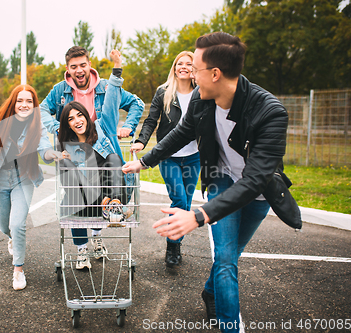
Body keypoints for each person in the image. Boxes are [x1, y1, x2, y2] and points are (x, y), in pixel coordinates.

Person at [122, 32, 301, 333]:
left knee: (229, 257)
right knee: (227, 260)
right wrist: (143, 162)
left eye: (196, 69)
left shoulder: (270, 112)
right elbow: (180, 133)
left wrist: (199, 215)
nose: (191, 74)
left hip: (257, 192)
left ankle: (210, 290)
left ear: (215, 74)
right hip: (220, 180)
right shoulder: (202, 100)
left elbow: (256, 179)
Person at [0, 84, 60, 290]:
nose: (24, 105)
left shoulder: (37, 125)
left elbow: (45, 149)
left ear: (34, 105)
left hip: (24, 178)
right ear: (13, 103)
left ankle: (18, 270)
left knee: (18, 224)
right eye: (20, 100)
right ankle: (11, 240)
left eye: (29, 101)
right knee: (4, 226)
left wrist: (54, 155)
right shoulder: (0, 123)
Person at [57, 50, 131, 270]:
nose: (77, 120)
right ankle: (82, 250)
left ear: (87, 117)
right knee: (67, 167)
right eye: (70, 119)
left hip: (107, 199)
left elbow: (110, 101)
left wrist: (117, 68)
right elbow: (70, 187)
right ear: (67, 125)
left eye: (80, 115)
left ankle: (114, 206)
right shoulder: (67, 148)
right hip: (83, 202)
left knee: (113, 158)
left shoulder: (102, 130)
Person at [130, 50, 200, 268]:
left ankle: (176, 243)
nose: (184, 67)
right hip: (169, 157)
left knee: (186, 204)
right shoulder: (164, 92)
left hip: (194, 157)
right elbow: (151, 120)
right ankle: (173, 246)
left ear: (194, 69)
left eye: (189, 64)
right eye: (180, 63)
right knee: (179, 200)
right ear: (174, 67)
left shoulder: (202, 92)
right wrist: (142, 140)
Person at [40, 45, 144, 164]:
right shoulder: (60, 90)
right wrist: (58, 127)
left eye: (83, 65)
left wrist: (128, 125)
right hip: (75, 151)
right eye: (74, 67)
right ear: (67, 69)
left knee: (111, 166)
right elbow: (42, 110)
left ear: (89, 64)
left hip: (103, 149)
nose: (79, 70)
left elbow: (136, 103)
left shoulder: (106, 88)